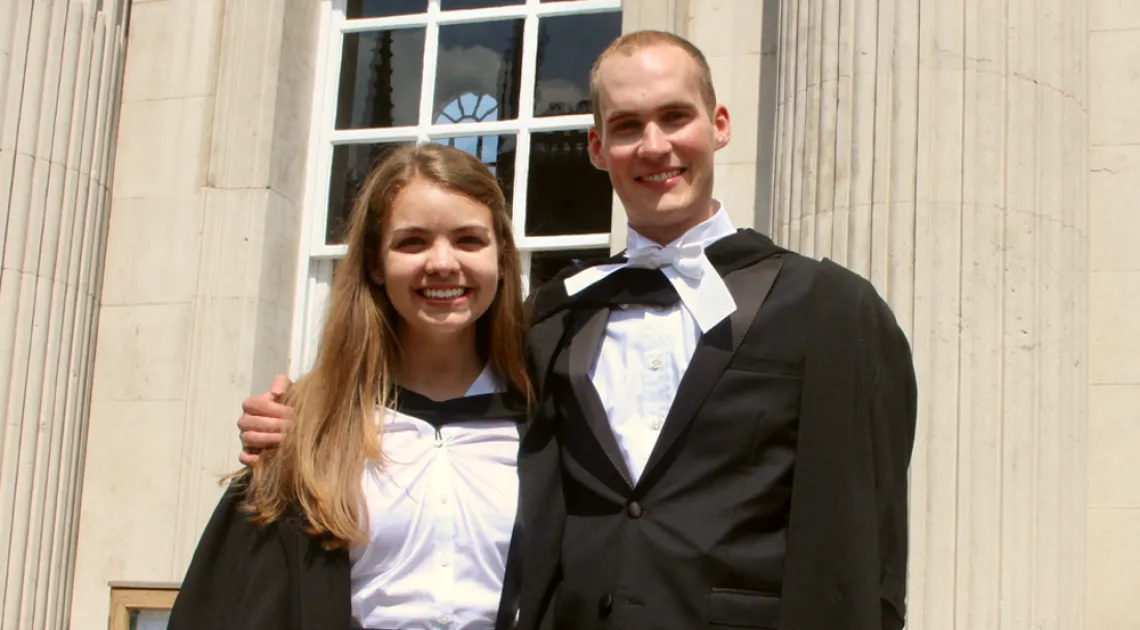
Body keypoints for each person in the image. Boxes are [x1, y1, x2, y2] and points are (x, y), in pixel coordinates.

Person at [240, 30, 917, 630]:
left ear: (718, 123)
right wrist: (310, 411)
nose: (654, 146)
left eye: (675, 117)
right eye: (626, 126)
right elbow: (437, 380)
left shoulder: (833, 310)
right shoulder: (552, 318)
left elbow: (859, 557)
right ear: (598, 147)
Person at [171, 143, 532, 630]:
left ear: (502, 259)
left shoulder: (547, 422)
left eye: (469, 240)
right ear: (375, 263)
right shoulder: (310, 428)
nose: (443, 263)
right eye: (412, 242)